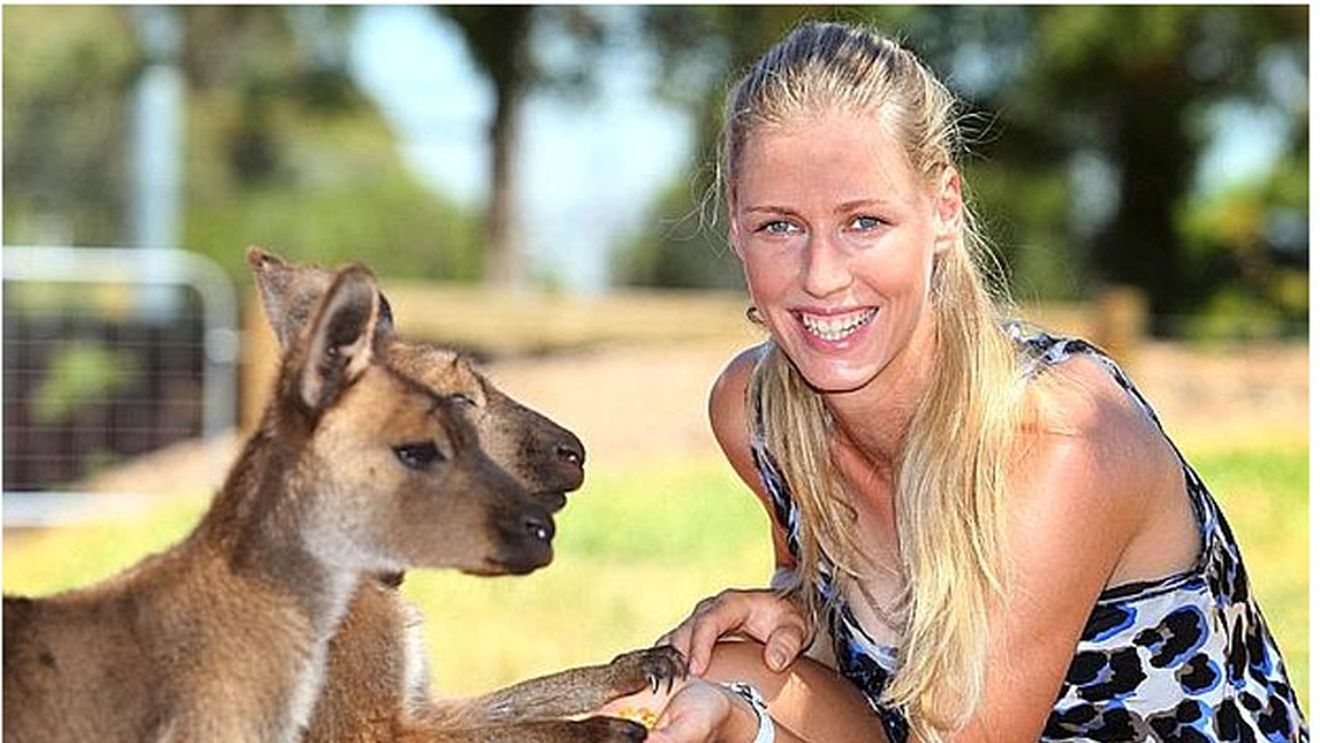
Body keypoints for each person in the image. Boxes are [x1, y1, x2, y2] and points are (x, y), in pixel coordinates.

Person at [602, 19, 1308, 743]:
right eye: (779, 226)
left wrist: (745, 728)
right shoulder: (759, 416)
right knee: (712, 669)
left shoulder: (1058, 442)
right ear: (734, 223)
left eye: (864, 222)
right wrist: (798, 614)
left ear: (944, 208)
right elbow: (854, 654)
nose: (821, 276)